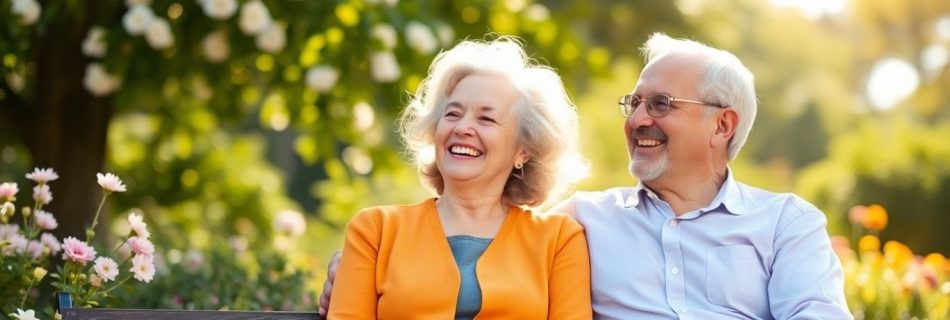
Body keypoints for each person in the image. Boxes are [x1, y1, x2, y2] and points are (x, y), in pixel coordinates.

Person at [321, 33, 852, 319]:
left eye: (661, 103)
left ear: (723, 124)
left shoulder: (786, 222)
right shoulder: (581, 222)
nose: (638, 119)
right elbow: (485, 230)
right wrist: (361, 270)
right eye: (635, 103)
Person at [325, 37, 592, 319]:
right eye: (452, 113)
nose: (463, 127)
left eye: (486, 119)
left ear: (524, 150)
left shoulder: (560, 240)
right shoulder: (375, 231)